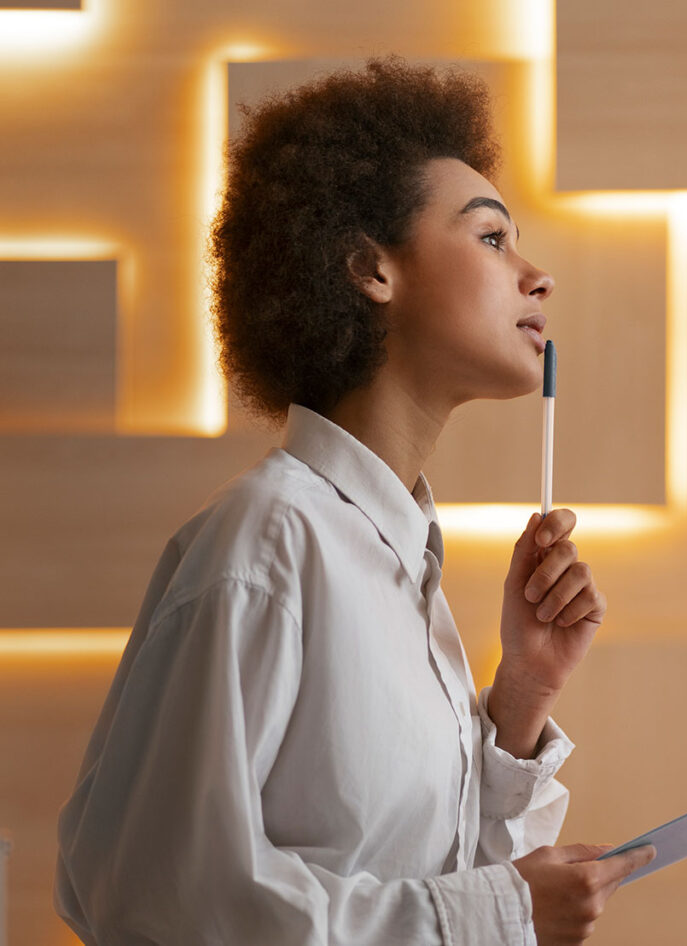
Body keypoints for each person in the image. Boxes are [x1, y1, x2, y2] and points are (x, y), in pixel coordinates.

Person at [54, 56, 654, 946]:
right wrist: (501, 912)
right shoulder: (268, 545)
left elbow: (430, 873)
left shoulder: (395, 563)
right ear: (373, 269)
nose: (539, 277)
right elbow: (159, 899)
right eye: (492, 239)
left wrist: (521, 697)